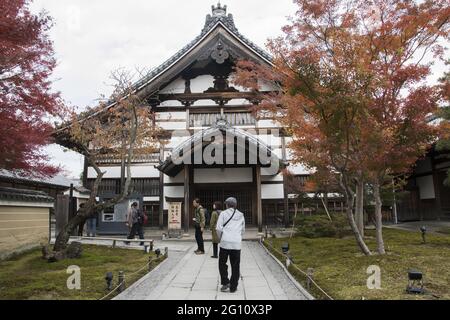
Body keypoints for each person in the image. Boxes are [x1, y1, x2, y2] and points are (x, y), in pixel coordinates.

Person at [216, 197, 245, 293]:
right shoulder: (241, 215)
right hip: (236, 243)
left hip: (225, 242)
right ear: (235, 205)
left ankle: (225, 282)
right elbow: (243, 230)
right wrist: (238, 237)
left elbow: (218, 229)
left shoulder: (223, 214)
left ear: (227, 205)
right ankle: (233, 287)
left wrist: (221, 238)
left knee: (222, 263)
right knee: (236, 265)